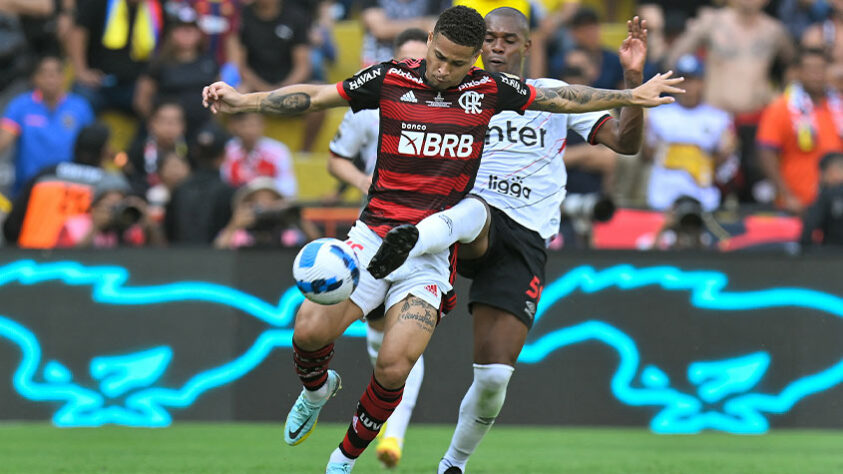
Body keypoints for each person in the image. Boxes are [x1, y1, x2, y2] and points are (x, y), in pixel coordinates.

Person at [202, 6, 683, 472]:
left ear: (473, 61)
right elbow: (315, 97)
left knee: (395, 366)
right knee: (307, 331)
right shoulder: (391, 78)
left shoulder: (489, 90)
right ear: (429, 41)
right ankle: (315, 389)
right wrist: (244, 100)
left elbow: (565, 98)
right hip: (373, 236)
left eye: (457, 63)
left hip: (434, 249)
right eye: (439, 57)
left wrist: (630, 94)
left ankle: (343, 461)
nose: (444, 70)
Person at [354, 9, 660, 473]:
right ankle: (406, 245)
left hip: (524, 238)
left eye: (508, 39)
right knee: (474, 212)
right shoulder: (454, 91)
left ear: (527, 46)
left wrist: (632, 79)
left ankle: (452, 464)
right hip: (454, 222)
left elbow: (626, 143)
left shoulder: (553, 95)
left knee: (495, 376)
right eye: (490, 39)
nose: (497, 47)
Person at [325, 26, 429, 469]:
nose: (412, 68)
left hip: (427, 236)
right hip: (376, 228)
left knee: (405, 336)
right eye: (403, 59)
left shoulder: (453, 106)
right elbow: (336, 158)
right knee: (378, 340)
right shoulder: (373, 100)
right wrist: (367, 185)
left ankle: (395, 435)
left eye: (419, 59)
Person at [667, 0, 795, 203]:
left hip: (756, 119)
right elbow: (674, 59)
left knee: (758, 188)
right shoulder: (711, 23)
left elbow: (794, 66)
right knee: (712, 183)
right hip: (716, 116)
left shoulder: (774, 31)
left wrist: (778, 95)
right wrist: (696, 30)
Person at [2, 122, 117, 248]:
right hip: (78, 263)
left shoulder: (44, 175)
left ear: (74, 146)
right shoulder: (110, 184)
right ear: (104, 152)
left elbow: (11, 227)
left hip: (31, 259)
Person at [644, 54, 735, 212]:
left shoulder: (718, 119)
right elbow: (647, 153)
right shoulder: (657, 115)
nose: (687, 86)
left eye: (692, 80)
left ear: (701, 83)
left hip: (702, 193)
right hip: (664, 193)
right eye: (682, 79)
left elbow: (725, 156)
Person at [757, 48, 843, 214]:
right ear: (798, 72)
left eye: (821, 69)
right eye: (810, 69)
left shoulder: (839, 104)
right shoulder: (782, 107)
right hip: (798, 204)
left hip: (837, 205)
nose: (816, 75)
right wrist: (786, 195)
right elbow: (766, 153)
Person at [0, 55, 95, 196]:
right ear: (34, 78)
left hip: (68, 187)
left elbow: (92, 142)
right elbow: (4, 139)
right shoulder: (21, 105)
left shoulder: (80, 107)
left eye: (56, 73)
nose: (50, 78)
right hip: (28, 187)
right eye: (44, 73)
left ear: (64, 77)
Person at [133, 6, 219, 137]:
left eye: (191, 29)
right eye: (181, 29)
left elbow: (220, 97)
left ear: (199, 34)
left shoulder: (210, 62)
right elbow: (141, 99)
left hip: (202, 128)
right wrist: (157, 123)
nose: (186, 34)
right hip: (166, 131)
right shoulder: (159, 63)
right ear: (172, 33)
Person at [68, 0, 165, 113]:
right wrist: (81, 71)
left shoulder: (155, 8)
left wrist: (149, 80)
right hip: (98, 82)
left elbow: (163, 48)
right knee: (80, 101)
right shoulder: (98, 3)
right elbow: (78, 32)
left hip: (135, 85)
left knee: (160, 105)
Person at [165, 123, 234, 244]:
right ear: (224, 155)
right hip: (217, 260)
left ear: (195, 152)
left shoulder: (179, 189)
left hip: (180, 259)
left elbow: (168, 232)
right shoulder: (229, 192)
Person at [213, 176, 318, 249]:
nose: (265, 206)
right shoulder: (239, 235)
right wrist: (233, 226)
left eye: (270, 201)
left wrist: (298, 218)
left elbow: (315, 246)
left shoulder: (288, 235)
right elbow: (216, 251)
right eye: (257, 202)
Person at [221, 112, 297, 198]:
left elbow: (289, 189)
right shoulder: (228, 150)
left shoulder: (278, 150)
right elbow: (224, 182)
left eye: (254, 125)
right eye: (244, 125)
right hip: (235, 202)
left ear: (263, 124)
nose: (249, 130)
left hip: (270, 204)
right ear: (233, 126)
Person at [125, 101, 188, 194]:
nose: (169, 127)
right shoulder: (137, 151)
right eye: (164, 121)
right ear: (151, 124)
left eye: (175, 121)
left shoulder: (191, 152)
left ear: (184, 126)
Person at [800, 151, 843, 247]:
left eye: (822, 172)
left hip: (834, 255)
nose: (820, 178)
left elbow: (810, 225)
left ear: (834, 170)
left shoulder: (827, 195)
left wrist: (805, 249)